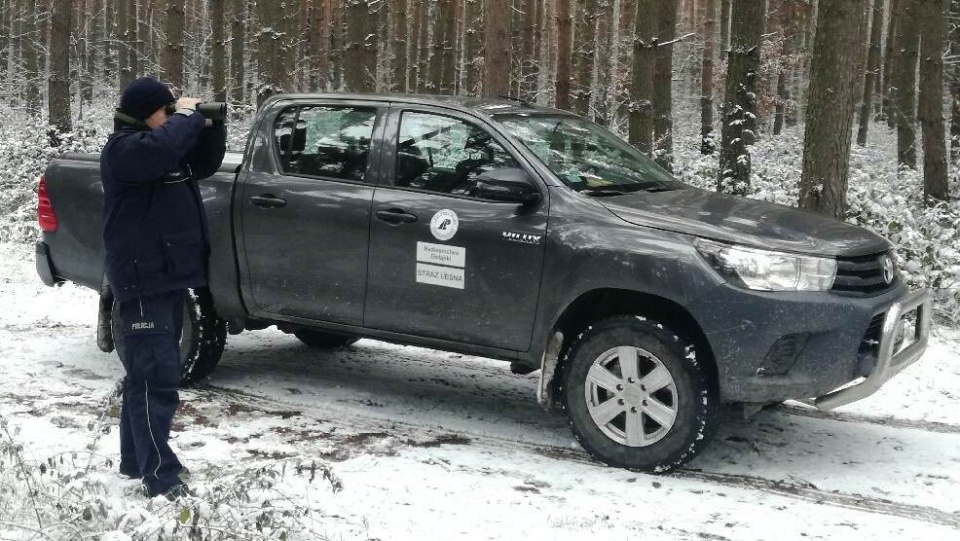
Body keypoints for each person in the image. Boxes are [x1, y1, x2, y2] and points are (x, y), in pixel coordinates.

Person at [100, 77, 226, 499]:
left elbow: (203, 164)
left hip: (167, 276)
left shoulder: (160, 147)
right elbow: (163, 149)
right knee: (157, 381)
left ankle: (136, 461)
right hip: (143, 280)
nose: (172, 117)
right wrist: (186, 116)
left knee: (145, 376)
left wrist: (210, 124)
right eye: (166, 111)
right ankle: (160, 477)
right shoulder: (125, 152)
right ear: (144, 113)